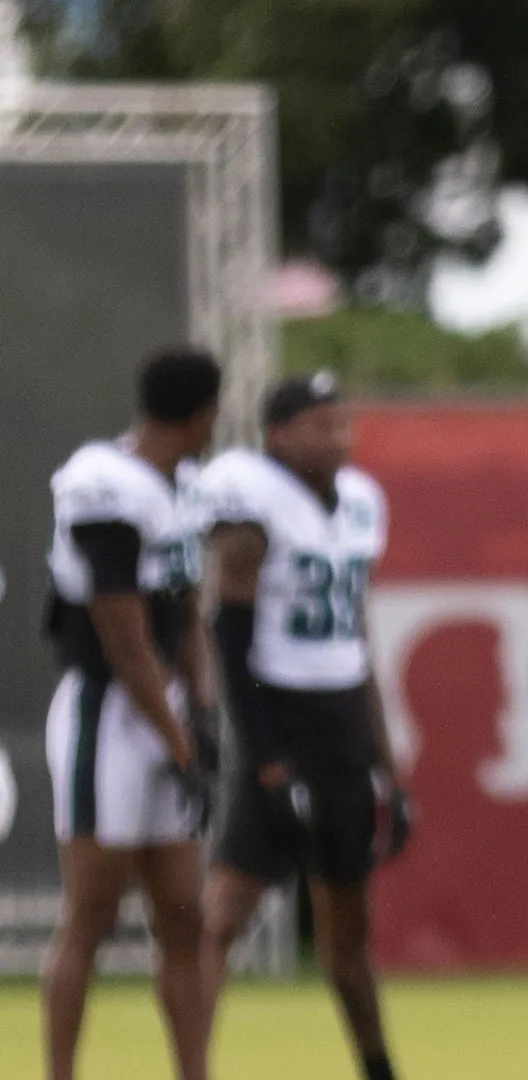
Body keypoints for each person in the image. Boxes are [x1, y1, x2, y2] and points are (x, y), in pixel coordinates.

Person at [196, 374, 409, 1080]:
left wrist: (386, 761)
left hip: (341, 720)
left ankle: (378, 1068)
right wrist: (265, 758)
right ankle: (191, 1065)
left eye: (341, 423)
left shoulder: (360, 501)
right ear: (278, 433)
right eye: (319, 425)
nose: (337, 438)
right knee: (222, 914)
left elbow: (357, 636)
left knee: (348, 930)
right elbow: (230, 629)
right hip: (277, 712)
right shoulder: (251, 497)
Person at [42, 347, 223, 1080]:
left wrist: (202, 714)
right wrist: (182, 741)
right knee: (91, 914)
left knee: (184, 917)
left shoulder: (180, 487)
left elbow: (185, 615)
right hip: (107, 712)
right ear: (202, 413)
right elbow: (124, 638)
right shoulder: (103, 484)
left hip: (166, 711)